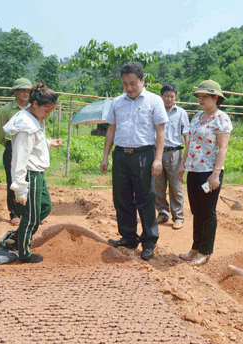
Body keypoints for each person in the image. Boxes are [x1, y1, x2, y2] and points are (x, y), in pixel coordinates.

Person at [100, 61, 169, 261]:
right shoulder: (117, 102)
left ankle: (148, 242)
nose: (129, 88)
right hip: (121, 155)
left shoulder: (154, 101)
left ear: (142, 80)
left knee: (145, 199)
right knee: (121, 197)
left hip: (143, 155)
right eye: (125, 84)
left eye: (133, 83)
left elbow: (160, 131)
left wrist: (157, 159)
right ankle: (129, 237)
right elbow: (111, 130)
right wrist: (105, 156)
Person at [3, 83, 64, 263]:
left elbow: (35, 144)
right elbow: (19, 159)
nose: (48, 115)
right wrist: (20, 187)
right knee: (32, 215)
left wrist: (49, 143)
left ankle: (18, 236)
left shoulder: (34, 119)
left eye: (51, 111)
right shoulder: (26, 127)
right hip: (30, 174)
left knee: (44, 207)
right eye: (46, 110)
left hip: (38, 172)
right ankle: (24, 252)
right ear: (35, 104)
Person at [178, 80, 232, 266]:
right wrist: (183, 165)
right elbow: (190, 143)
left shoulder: (222, 118)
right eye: (199, 97)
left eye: (204, 97)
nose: (200, 100)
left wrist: (216, 174)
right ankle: (195, 247)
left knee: (207, 212)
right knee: (196, 211)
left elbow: (223, 148)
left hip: (209, 172)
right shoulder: (197, 117)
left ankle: (205, 251)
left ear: (215, 98)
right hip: (194, 170)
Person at [0, 78, 32, 226]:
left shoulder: (33, 109)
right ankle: (15, 213)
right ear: (15, 91)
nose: (25, 93)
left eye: (28, 91)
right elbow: (0, 134)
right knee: (13, 181)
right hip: (12, 147)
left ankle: (28, 212)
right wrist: (11, 147)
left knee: (30, 178)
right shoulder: (5, 111)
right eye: (22, 90)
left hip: (30, 149)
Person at [155, 84, 190, 230]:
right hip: (157, 152)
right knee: (158, 185)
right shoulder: (156, 111)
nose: (169, 98)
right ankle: (163, 213)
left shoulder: (181, 112)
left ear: (175, 97)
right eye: (166, 95)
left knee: (175, 186)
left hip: (174, 152)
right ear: (161, 96)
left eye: (172, 96)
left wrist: (185, 158)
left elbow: (187, 135)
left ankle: (178, 217)